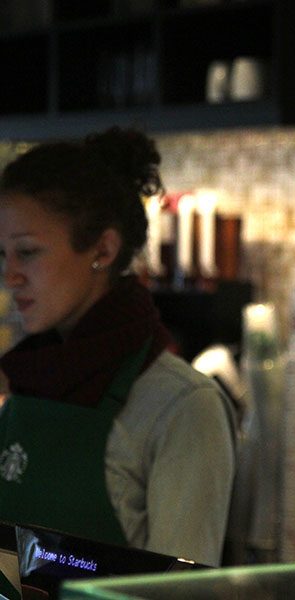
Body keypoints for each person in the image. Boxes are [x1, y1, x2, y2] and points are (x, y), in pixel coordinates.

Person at [0, 127, 235, 566]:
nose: (10, 276)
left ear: (103, 249)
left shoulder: (183, 408)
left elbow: (176, 599)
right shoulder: (29, 380)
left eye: (27, 253)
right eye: (3, 256)